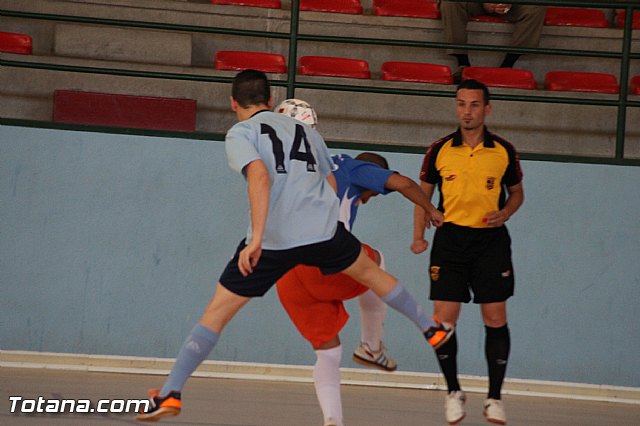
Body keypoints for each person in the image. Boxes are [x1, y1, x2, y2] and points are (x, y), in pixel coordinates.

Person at [135, 70, 453, 422]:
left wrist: (255, 239)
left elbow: (258, 175)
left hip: (274, 241)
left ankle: (171, 393)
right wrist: (326, 225)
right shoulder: (305, 131)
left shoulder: (241, 132)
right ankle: (430, 328)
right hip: (321, 232)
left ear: (232, 103)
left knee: (217, 312)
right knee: (371, 270)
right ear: (270, 100)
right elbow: (329, 180)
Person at [275, 97, 446, 426]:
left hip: (286, 271)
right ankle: (371, 345)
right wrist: (431, 209)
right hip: (322, 261)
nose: (366, 201)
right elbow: (405, 183)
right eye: (370, 195)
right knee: (375, 261)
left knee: (328, 352)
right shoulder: (352, 167)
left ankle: (332, 421)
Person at [412, 79, 524, 425]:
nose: (467, 111)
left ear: (487, 109)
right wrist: (419, 234)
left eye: (474, 105)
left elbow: (517, 193)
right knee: (444, 319)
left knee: (495, 318)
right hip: (451, 242)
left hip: (491, 243)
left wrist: (505, 212)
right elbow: (422, 195)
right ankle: (453, 391)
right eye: (461, 104)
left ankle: (494, 398)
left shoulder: (503, 149)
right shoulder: (440, 149)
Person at [439, 1, 547, 82]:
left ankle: (508, 65)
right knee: (450, 2)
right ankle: (462, 64)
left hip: (513, 5)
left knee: (536, 7)